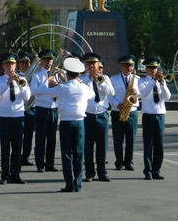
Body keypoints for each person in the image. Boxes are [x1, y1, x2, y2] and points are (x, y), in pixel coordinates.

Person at [37, 57, 92, 192]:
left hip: (66, 122)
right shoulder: (84, 88)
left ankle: (69, 184)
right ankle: (78, 184)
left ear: (67, 74)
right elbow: (92, 94)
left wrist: (48, 80)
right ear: (78, 74)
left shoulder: (62, 87)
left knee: (66, 155)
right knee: (79, 154)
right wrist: (79, 81)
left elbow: (42, 92)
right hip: (80, 123)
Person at [0, 53, 31, 184]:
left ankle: (16, 174)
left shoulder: (22, 79)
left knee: (17, 147)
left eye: (13, 64)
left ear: (16, 65)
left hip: (18, 116)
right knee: (5, 148)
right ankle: (5, 175)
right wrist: (7, 83)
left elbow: (27, 97)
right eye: (8, 64)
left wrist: (20, 84)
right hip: (4, 117)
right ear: (3, 66)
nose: (10, 67)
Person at [79, 53, 114, 182]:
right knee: (87, 146)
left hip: (101, 115)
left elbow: (111, 92)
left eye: (94, 64)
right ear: (86, 66)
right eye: (89, 64)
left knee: (102, 146)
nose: (92, 67)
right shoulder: (82, 79)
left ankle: (102, 172)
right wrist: (90, 80)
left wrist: (99, 82)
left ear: (98, 65)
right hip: (87, 116)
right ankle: (89, 173)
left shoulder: (105, 78)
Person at [138, 57, 171, 180]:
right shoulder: (142, 82)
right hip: (148, 115)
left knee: (159, 145)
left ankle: (156, 170)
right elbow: (143, 94)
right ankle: (148, 170)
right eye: (151, 68)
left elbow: (167, 97)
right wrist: (153, 81)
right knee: (148, 144)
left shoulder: (161, 81)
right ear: (146, 69)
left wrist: (163, 85)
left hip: (160, 115)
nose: (153, 70)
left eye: (155, 68)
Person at [30, 49, 59, 172]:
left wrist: (56, 85)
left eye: (50, 59)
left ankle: (50, 164)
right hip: (42, 108)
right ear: (41, 61)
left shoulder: (57, 74)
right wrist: (47, 83)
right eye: (46, 59)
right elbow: (34, 92)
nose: (49, 62)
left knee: (52, 138)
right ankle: (40, 164)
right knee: (41, 137)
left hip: (53, 108)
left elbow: (62, 90)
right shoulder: (37, 75)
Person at [109, 55, 139, 171]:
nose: (129, 68)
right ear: (121, 66)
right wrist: (117, 104)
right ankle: (119, 162)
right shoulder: (113, 79)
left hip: (131, 112)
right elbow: (110, 96)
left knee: (131, 139)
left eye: (131, 65)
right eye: (126, 65)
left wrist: (137, 92)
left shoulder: (137, 79)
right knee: (118, 139)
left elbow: (142, 94)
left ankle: (129, 162)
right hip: (117, 111)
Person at [17, 52, 36, 166]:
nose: (24, 65)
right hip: (19, 108)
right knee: (18, 135)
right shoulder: (17, 76)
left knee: (28, 135)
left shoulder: (35, 75)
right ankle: (16, 156)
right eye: (22, 63)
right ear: (19, 64)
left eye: (27, 63)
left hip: (31, 108)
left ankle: (25, 157)